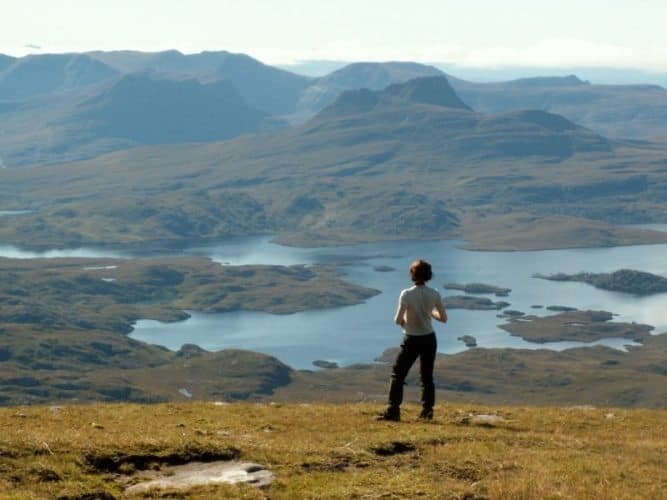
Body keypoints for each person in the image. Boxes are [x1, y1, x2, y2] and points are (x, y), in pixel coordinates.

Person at [377, 259, 447, 421]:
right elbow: (443, 318)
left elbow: (397, 320)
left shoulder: (407, 294)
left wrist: (406, 324)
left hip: (411, 339)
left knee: (398, 374)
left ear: (412, 275)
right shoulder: (434, 294)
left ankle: (393, 410)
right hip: (429, 338)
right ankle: (427, 412)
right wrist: (429, 314)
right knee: (427, 376)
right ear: (429, 275)